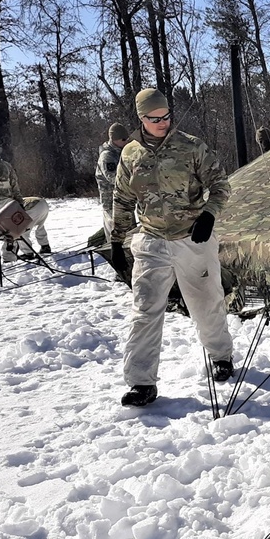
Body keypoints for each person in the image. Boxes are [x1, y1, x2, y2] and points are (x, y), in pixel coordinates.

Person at [111, 88, 236, 407]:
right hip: (151, 240)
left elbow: (221, 185)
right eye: (155, 118)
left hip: (193, 238)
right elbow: (123, 199)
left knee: (206, 302)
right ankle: (141, 382)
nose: (163, 122)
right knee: (145, 310)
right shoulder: (130, 154)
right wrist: (116, 240)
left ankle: (221, 356)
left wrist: (208, 214)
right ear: (141, 118)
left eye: (167, 116)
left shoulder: (191, 146)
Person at [96, 123, 130, 240]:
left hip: (125, 202)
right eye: (123, 139)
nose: (126, 142)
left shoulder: (121, 152)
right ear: (114, 139)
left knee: (130, 235)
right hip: (112, 204)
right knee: (116, 238)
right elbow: (114, 178)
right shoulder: (107, 156)